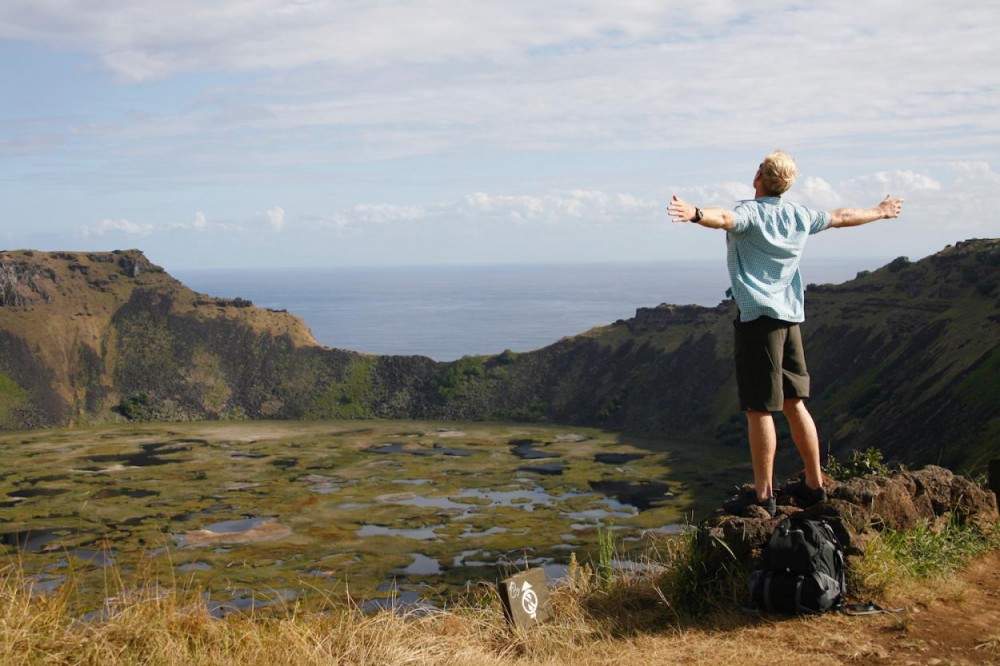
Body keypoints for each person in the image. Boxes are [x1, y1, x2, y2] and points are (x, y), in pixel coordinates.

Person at [667, 150, 904, 516]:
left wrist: (696, 213)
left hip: (759, 320)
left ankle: (763, 496)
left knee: (759, 409)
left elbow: (725, 217)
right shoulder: (798, 215)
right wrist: (880, 211)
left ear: (758, 178)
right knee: (795, 403)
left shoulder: (750, 213)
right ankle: (814, 484)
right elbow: (841, 217)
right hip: (790, 318)